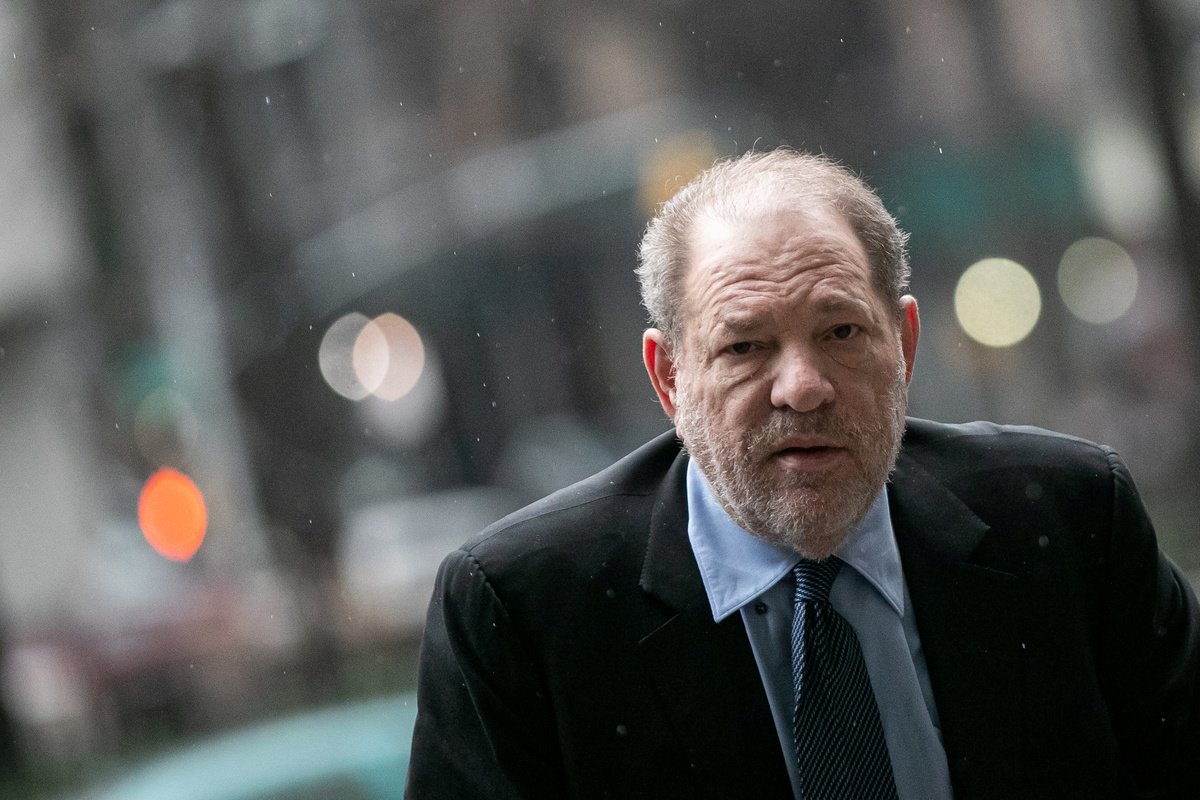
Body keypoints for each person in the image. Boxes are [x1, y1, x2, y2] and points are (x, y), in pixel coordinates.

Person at [405, 150, 1200, 799]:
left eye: (841, 331)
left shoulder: (1068, 520)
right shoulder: (524, 612)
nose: (803, 387)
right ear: (671, 379)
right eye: (745, 347)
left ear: (904, 345)